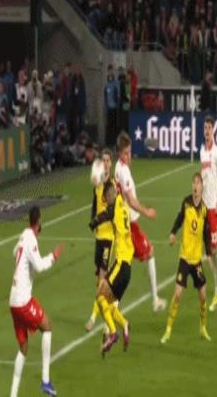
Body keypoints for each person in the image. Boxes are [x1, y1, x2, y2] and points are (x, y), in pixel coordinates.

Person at [9, 205, 63, 397]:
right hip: (23, 301)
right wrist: (53, 257)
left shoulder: (24, 235)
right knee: (47, 326)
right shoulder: (31, 239)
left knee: (23, 348)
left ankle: (13, 395)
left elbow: (14, 252)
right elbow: (39, 266)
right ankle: (45, 381)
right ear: (39, 221)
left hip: (13, 301)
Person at [114, 132, 167, 312]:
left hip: (123, 224)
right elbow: (131, 200)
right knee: (149, 252)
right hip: (129, 225)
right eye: (126, 153)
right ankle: (155, 300)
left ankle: (111, 307)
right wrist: (147, 212)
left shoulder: (118, 167)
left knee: (123, 267)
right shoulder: (124, 171)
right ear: (120, 153)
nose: (129, 156)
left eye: (130, 152)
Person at [161, 172, 211, 344]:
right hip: (184, 257)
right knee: (177, 294)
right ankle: (168, 330)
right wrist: (173, 233)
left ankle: (203, 328)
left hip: (196, 261)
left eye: (198, 183)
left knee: (203, 295)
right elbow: (179, 219)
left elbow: (206, 234)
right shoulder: (186, 203)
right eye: (193, 183)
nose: (195, 186)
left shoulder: (204, 209)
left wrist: (208, 254)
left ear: (202, 187)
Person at [89, 180, 132, 355]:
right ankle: (125, 325)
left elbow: (105, 215)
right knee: (110, 304)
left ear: (109, 195)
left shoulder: (113, 207)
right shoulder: (123, 204)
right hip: (128, 268)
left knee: (100, 296)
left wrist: (94, 222)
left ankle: (113, 333)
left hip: (121, 264)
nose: (107, 201)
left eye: (106, 198)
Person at [199, 116, 217, 311]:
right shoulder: (202, 152)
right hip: (203, 207)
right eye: (205, 128)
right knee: (208, 252)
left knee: (214, 250)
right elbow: (203, 177)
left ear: (213, 130)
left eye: (209, 128)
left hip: (214, 208)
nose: (207, 131)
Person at [85, 149, 115, 331]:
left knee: (103, 278)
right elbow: (94, 205)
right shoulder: (98, 185)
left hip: (108, 238)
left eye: (107, 161)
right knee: (100, 281)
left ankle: (94, 317)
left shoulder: (112, 187)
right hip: (99, 237)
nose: (105, 164)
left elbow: (110, 212)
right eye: (103, 161)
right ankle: (108, 312)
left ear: (111, 164)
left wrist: (97, 220)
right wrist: (93, 221)